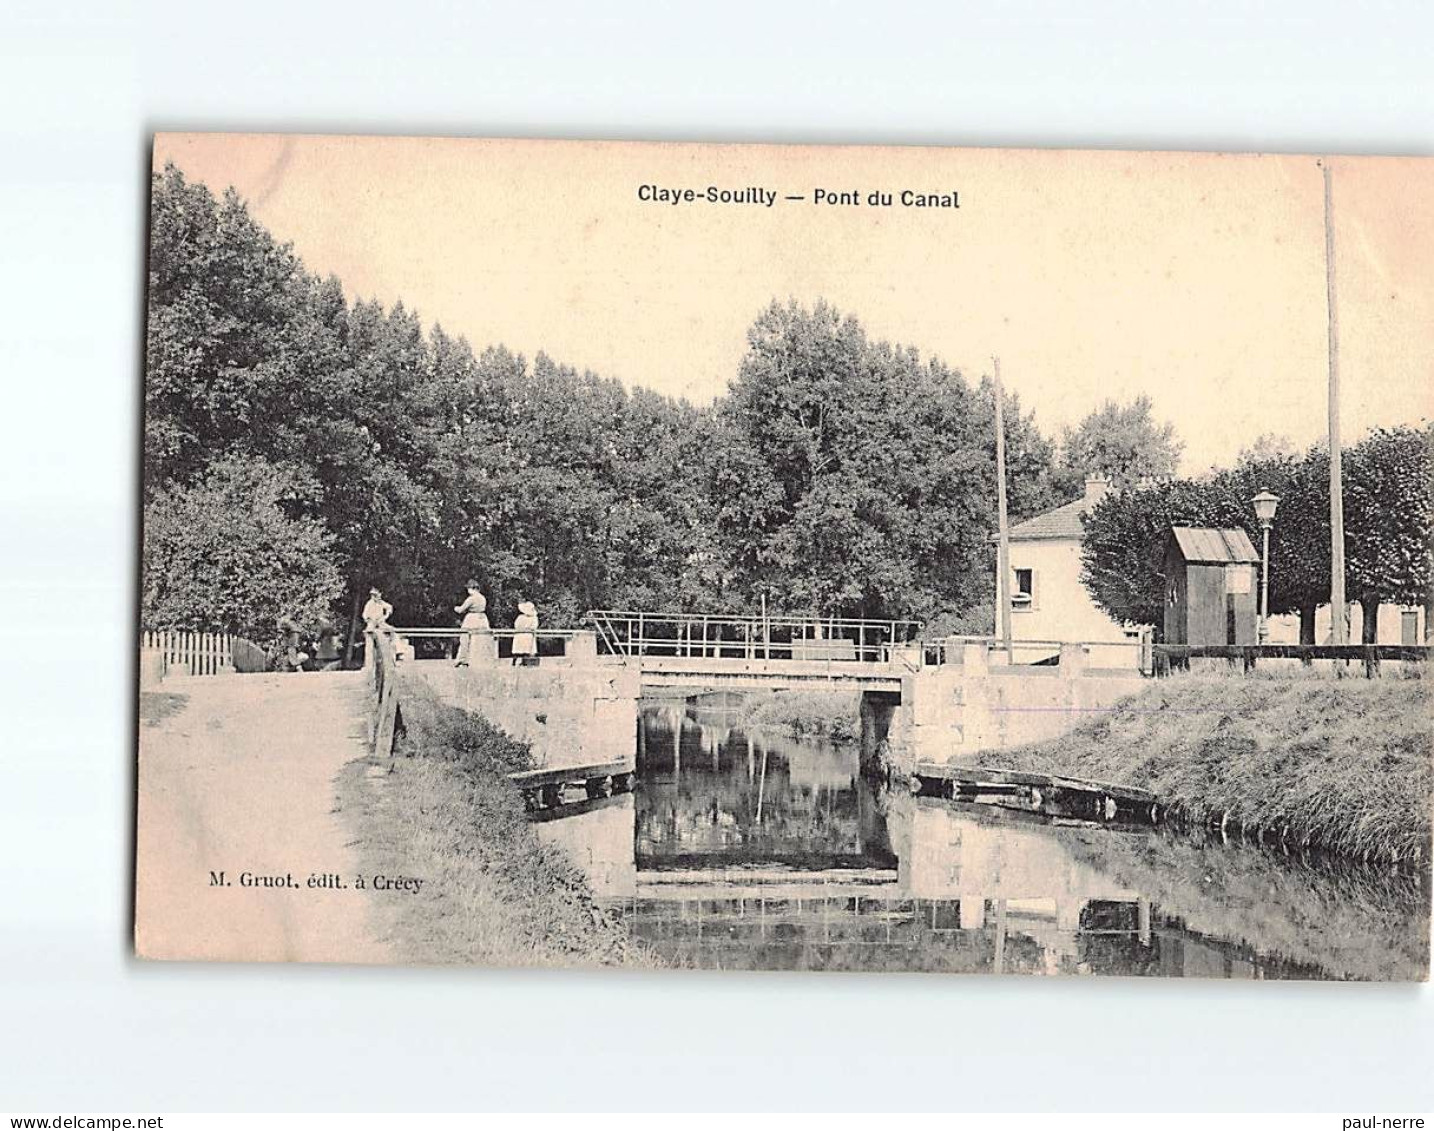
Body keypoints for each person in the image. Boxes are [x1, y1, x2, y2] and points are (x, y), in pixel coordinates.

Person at [453, 580, 490, 667]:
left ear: (472, 588)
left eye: (468, 589)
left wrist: (455, 608)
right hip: (482, 619)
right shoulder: (483, 598)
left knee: (464, 639)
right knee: (479, 640)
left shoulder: (471, 598)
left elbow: (461, 609)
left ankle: (462, 660)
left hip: (471, 619)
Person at [511, 600, 539, 665]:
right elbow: (534, 627)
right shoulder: (532, 618)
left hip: (522, 635)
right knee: (524, 650)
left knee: (521, 650)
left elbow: (516, 625)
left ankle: (519, 663)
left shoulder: (521, 617)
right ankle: (520, 662)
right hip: (525, 635)